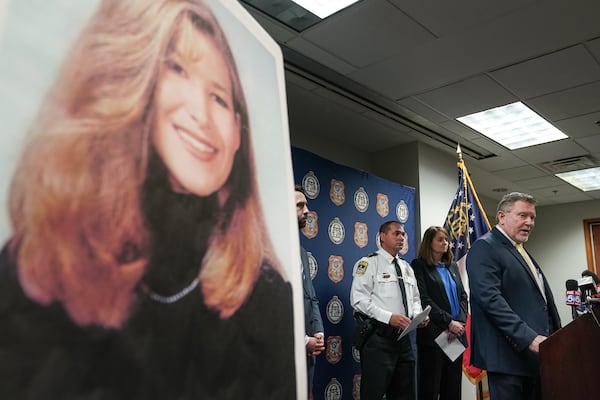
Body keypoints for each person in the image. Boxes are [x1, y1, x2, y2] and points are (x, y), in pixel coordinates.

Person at [0, 1, 296, 398]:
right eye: (177, 69)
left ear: (239, 134)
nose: (203, 115)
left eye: (221, 98)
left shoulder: (266, 296)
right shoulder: (39, 267)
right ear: (128, 79)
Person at [466, 192, 561, 400]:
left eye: (533, 217)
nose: (529, 222)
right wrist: (529, 339)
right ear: (501, 216)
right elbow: (491, 301)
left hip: (534, 356)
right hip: (508, 357)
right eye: (522, 215)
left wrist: (557, 337)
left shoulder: (520, 250)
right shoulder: (485, 248)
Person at [350, 220, 428, 400]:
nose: (401, 237)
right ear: (382, 237)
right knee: (373, 393)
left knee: (405, 394)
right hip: (379, 339)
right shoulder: (368, 263)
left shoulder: (406, 267)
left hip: (404, 339)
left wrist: (418, 315)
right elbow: (359, 300)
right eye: (396, 233)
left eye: (403, 234)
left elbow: (415, 299)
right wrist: (388, 317)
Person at [411, 226, 468, 400]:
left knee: (452, 388)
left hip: (454, 335)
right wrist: (449, 323)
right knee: (430, 387)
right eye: (440, 239)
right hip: (434, 336)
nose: (445, 243)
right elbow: (424, 299)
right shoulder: (419, 265)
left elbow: (463, 296)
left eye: (446, 239)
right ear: (429, 243)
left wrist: (459, 322)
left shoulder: (451, 267)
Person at [295, 185, 325, 396]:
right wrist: (303, 341)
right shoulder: (271, 247)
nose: (307, 211)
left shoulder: (301, 251)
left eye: (306, 204)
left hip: (308, 351)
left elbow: (310, 296)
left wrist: (318, 331)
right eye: (300, 205)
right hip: (284, 350)